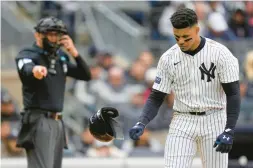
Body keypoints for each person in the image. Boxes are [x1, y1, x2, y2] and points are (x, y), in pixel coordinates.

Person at [129, 8, 240, 168]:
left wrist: (229, 129)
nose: (181, 41)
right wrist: (141, 122)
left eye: (186, 37)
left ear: (197, 29)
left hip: (214, 118)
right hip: (182, 120)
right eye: (177, 37)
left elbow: (233, 94)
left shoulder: (220, 54)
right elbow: (156, 96)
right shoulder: (168, 58)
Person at [15, 16, 91, 168]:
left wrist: (74, 52)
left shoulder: (60, 57)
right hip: (39, 119)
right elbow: (26, 67)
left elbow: (85, 75)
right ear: (38, 35)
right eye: (50, 34)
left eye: (57, 35)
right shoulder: (29, 54)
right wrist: (35, 70)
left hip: (57, 121)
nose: (54, 38)